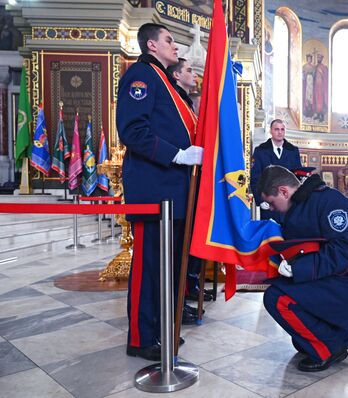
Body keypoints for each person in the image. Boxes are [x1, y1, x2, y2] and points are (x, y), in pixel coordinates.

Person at [117, 23, 203, 361]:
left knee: (166, 269)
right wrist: (177, 155)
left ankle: (160, 331)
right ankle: (140, 338)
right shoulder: (142, 76)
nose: (176, 47)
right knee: (149, 267)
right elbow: (133, 130)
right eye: (169, 40)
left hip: (173, 193)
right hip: (154, 190)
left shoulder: (166, 82)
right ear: (151, 44)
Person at [258, 165, 348, 372]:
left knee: (277, 299)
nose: (272, 208)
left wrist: (299, 268)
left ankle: (329, 351)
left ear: (284, 192)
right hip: (325, 275)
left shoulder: (331, 203)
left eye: (271, 202)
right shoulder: (299, 204)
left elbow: (346, 250)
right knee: (302, 338)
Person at [167, 58, 214, 309]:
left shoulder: (185, 102)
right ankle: (177, 299)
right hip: (176, 182)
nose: (194, 74)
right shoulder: (172, 100)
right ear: (176, 75)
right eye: (189, 70)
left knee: (188, 246)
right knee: (176, 251)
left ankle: (187, 289)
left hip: (190, 184)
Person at [250, 119, 302, 222]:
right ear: (271, 131)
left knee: (289, 235)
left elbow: (298, 176)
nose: (280, 132)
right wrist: (260, 201)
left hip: (288, 203)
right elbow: (255, 178)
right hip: (269, 202)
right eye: (276, 129)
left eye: (282, 129)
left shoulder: (293, 151)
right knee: (271, 235)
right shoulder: (260, 151)